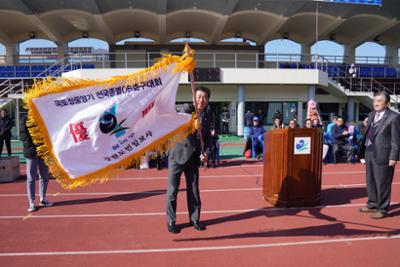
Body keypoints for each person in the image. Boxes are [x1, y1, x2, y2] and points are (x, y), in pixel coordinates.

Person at [166, 86, 212, 233]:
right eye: (199, 97)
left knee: (193, 191)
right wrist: (194, 118)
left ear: (208, 100)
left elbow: (208, 140)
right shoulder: (187, 109)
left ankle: (194, 219)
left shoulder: (207, 116)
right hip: (177, 156)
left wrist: (206, 154)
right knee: (172, 191)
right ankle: (171, 221)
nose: (201, 100)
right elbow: (183, 115)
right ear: (193, 97)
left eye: (204, 98)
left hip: (193, 159)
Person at [358, 91, 400, 219]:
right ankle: (372, 204)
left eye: (379, 101)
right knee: (370, 181)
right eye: (374, 100)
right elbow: (369, 133)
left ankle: (382, 208)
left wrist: (394, 157)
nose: (375, 103)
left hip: (384, 154)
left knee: (382, 182)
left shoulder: (394, 117)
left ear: (387, 103)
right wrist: (364, 126)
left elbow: (396, 139)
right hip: (369, 151)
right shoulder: (371, 114)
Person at [20, 114, 53, 212]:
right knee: (31, 178)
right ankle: (31, 201)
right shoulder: (24, 118)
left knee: (44, 176)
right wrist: (34, 148)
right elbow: (23, 135)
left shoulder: (42, 115)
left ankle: (43, 198)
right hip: (31, 152)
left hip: (43, 151)